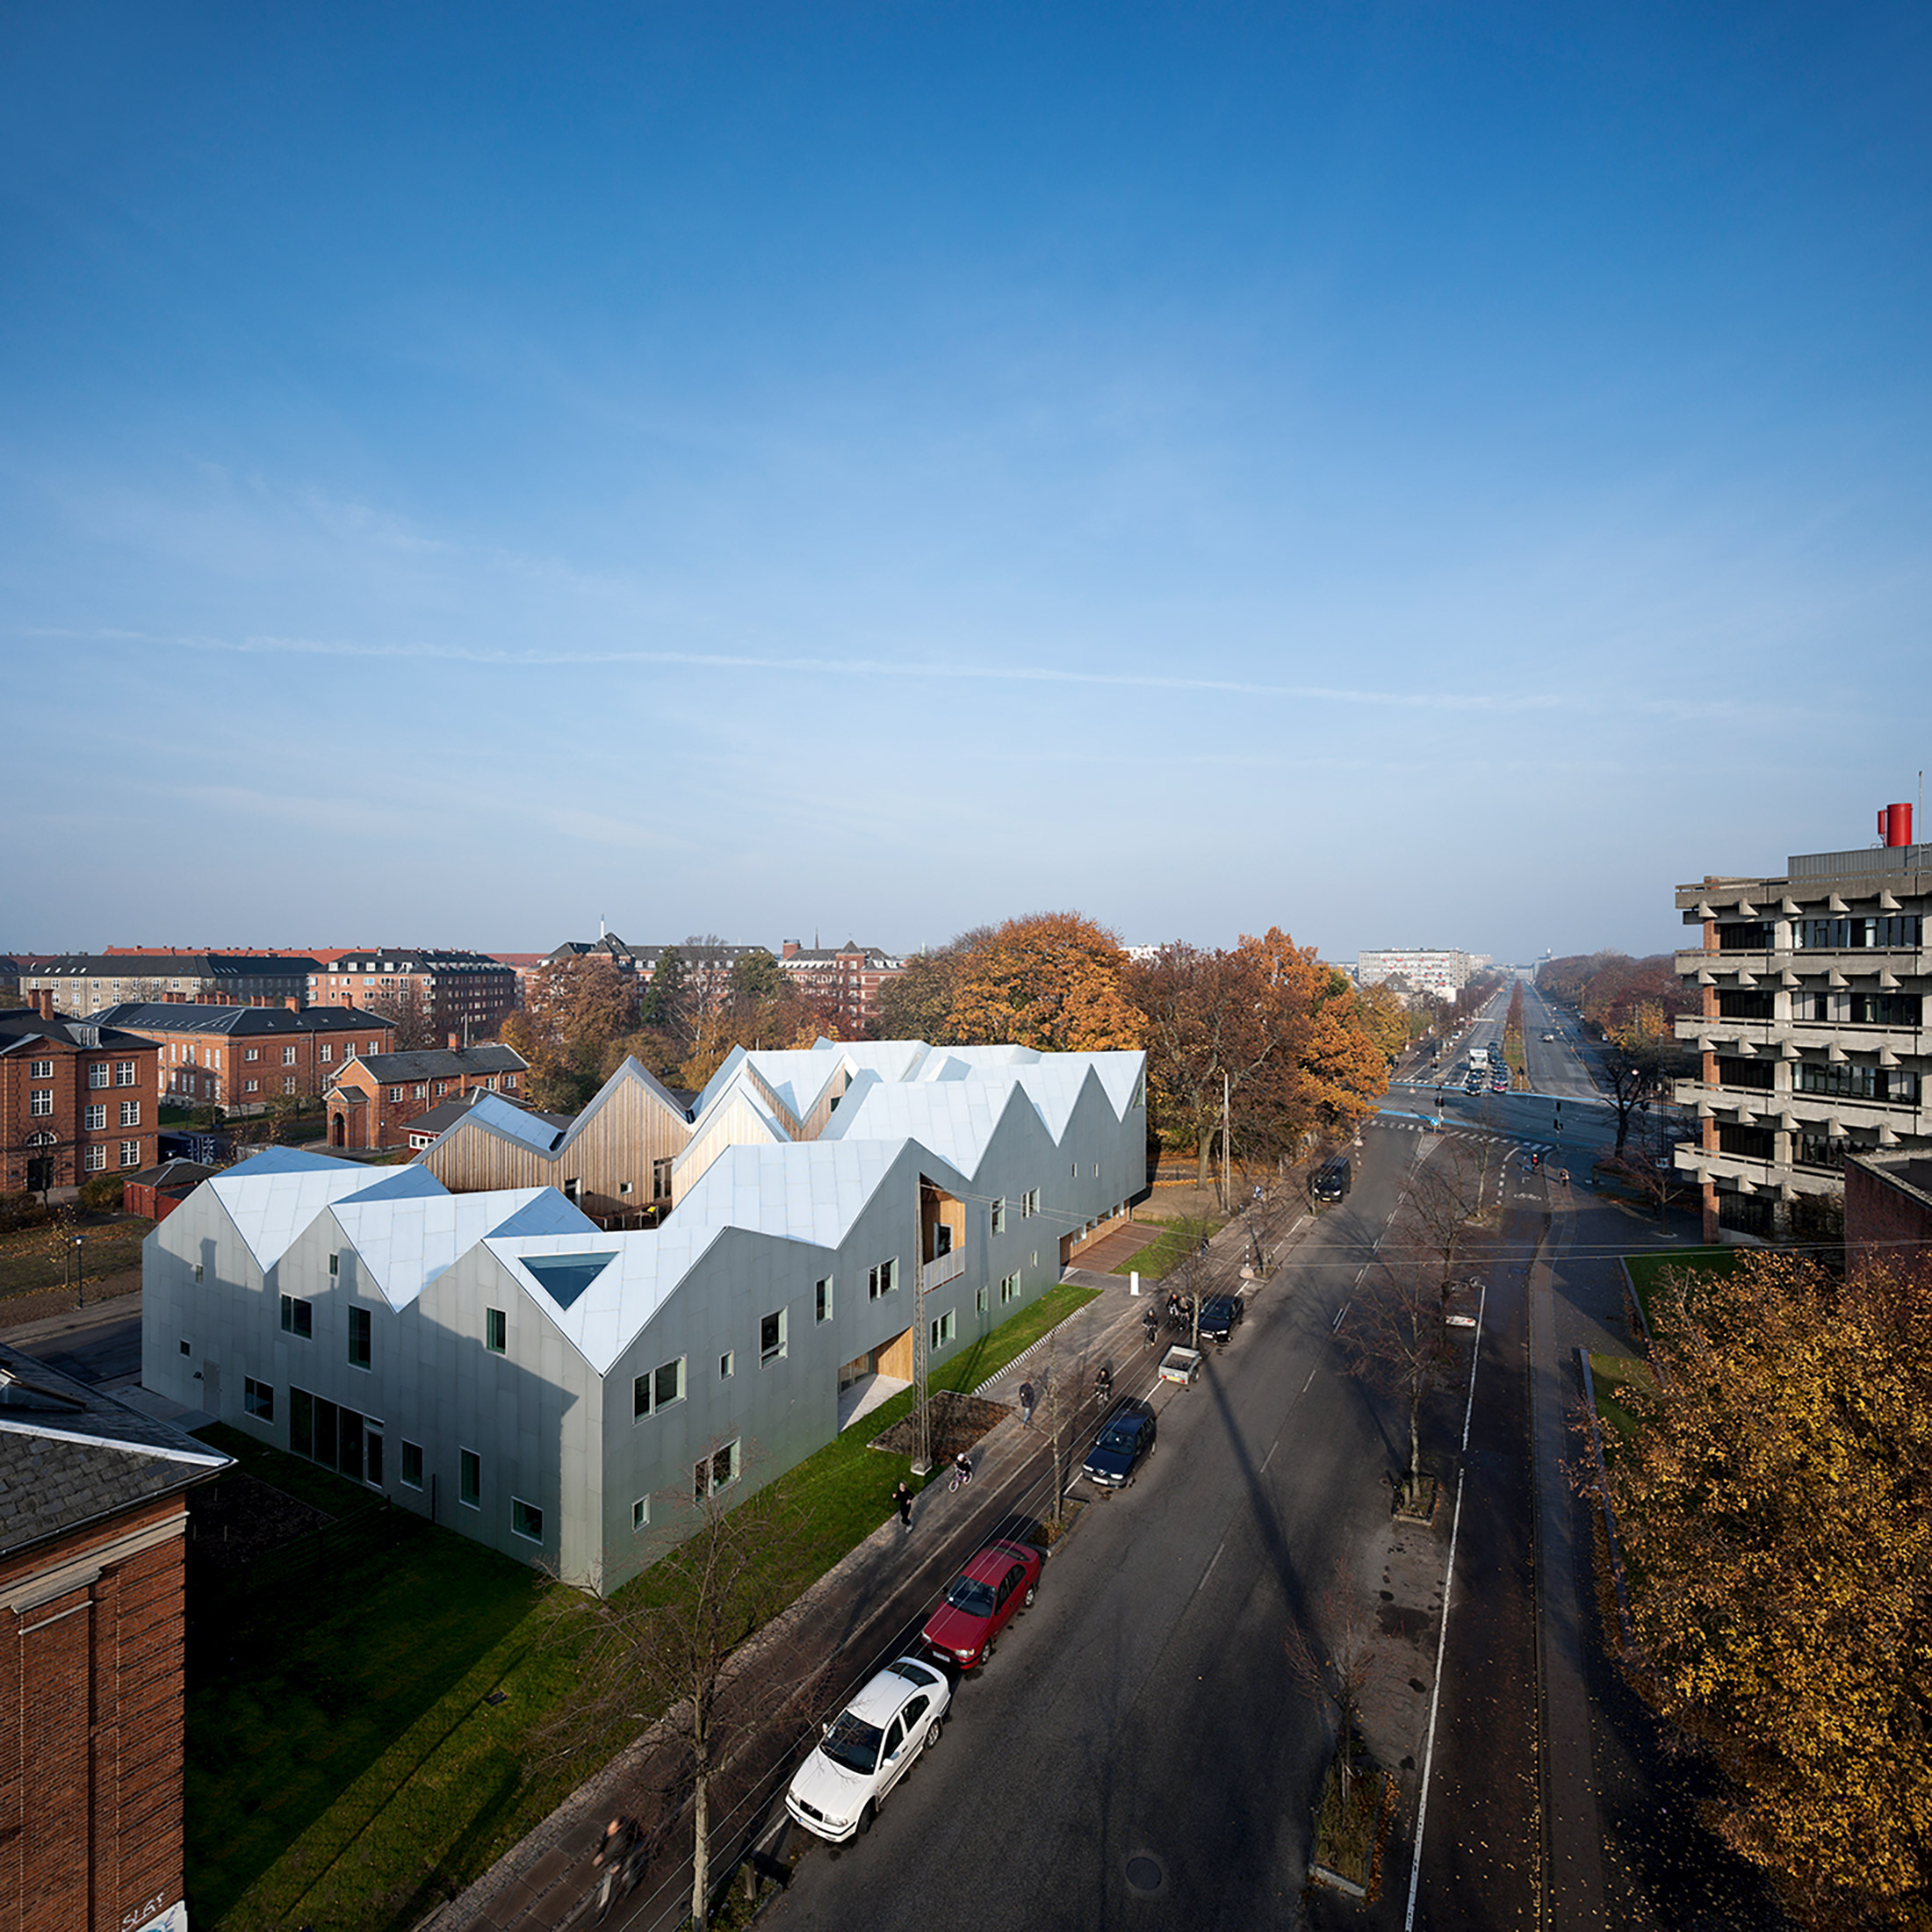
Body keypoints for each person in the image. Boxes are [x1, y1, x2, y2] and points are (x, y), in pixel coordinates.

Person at [594, 1814, 641, 1922]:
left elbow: (625, 1851)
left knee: (629, 1863)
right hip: (624, 1846)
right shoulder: (613, 1827)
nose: (610, 1833)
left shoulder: (624, 1837)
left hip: (633, 1844)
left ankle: (632, 1881)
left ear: (619, 1828)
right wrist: (599, 1854)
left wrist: (619, 1865)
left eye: (612, 1831)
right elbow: (605, 1838)